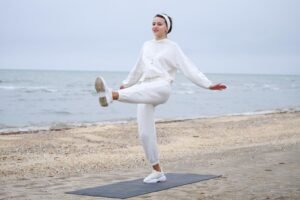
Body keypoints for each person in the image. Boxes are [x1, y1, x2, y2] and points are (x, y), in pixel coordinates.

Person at [95, 13, 226, 184]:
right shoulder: (146, 46)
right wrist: (126, 84)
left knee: (135, 92)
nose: (155, 26)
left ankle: (111, 95)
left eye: (159, 24)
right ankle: (157, 171)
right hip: (143, 87)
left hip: (161, 86)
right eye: (153, 23)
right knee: (144, 134)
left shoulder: (173, 47)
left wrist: (208, 84)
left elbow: (189, 68)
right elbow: (138, 68)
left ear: (167, 27)